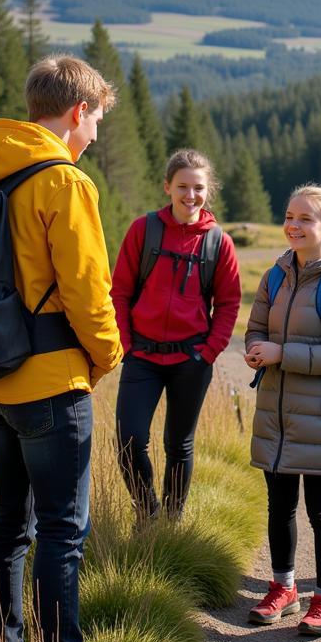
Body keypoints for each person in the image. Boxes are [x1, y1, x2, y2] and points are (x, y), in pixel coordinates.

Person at [0, 56, 155, 642]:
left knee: (7, 526)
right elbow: (88, 292)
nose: (97, 132)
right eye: (98, 118)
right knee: (61, 532)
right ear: (78, 112)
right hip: (53, 383)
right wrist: (105, 360)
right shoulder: (63, 182)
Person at [244, 185, 321, 637]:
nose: (293, 225)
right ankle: (284, 589)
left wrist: (281, 353)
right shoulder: (275, 276)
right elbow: (256, 328)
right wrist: (256, 349)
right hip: (275, 412)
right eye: (290, 216)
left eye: (305, 219)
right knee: (279, 506)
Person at [110, 149, 241, 522]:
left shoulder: (219, 243)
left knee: (178, 444)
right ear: (167, 187)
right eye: (182, 186)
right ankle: (147, 509)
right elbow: (119, 291)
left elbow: (229, 304)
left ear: (208, 191)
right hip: (142, 357)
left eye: (198, 187)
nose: (190, 195)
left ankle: (171, 519)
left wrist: (209, 352)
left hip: (191, 359)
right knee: (128, 439)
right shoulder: (143, 230)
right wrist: (127, 343)